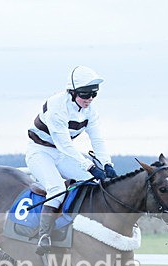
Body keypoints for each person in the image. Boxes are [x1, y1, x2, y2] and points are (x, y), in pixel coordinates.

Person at [26, 65, 117, 254]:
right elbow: (64, 144)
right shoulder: (57, 107)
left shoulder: (89, 110)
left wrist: (107, 164)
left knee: (93, 184)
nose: (90, 99)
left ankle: (81, 227)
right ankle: (44, 235)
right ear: (72, 92)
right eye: (85, 95)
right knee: (57, 189)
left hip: (62, 155)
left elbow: (97, 139)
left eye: (94, 94)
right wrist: (91, 166)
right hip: (40, 152)